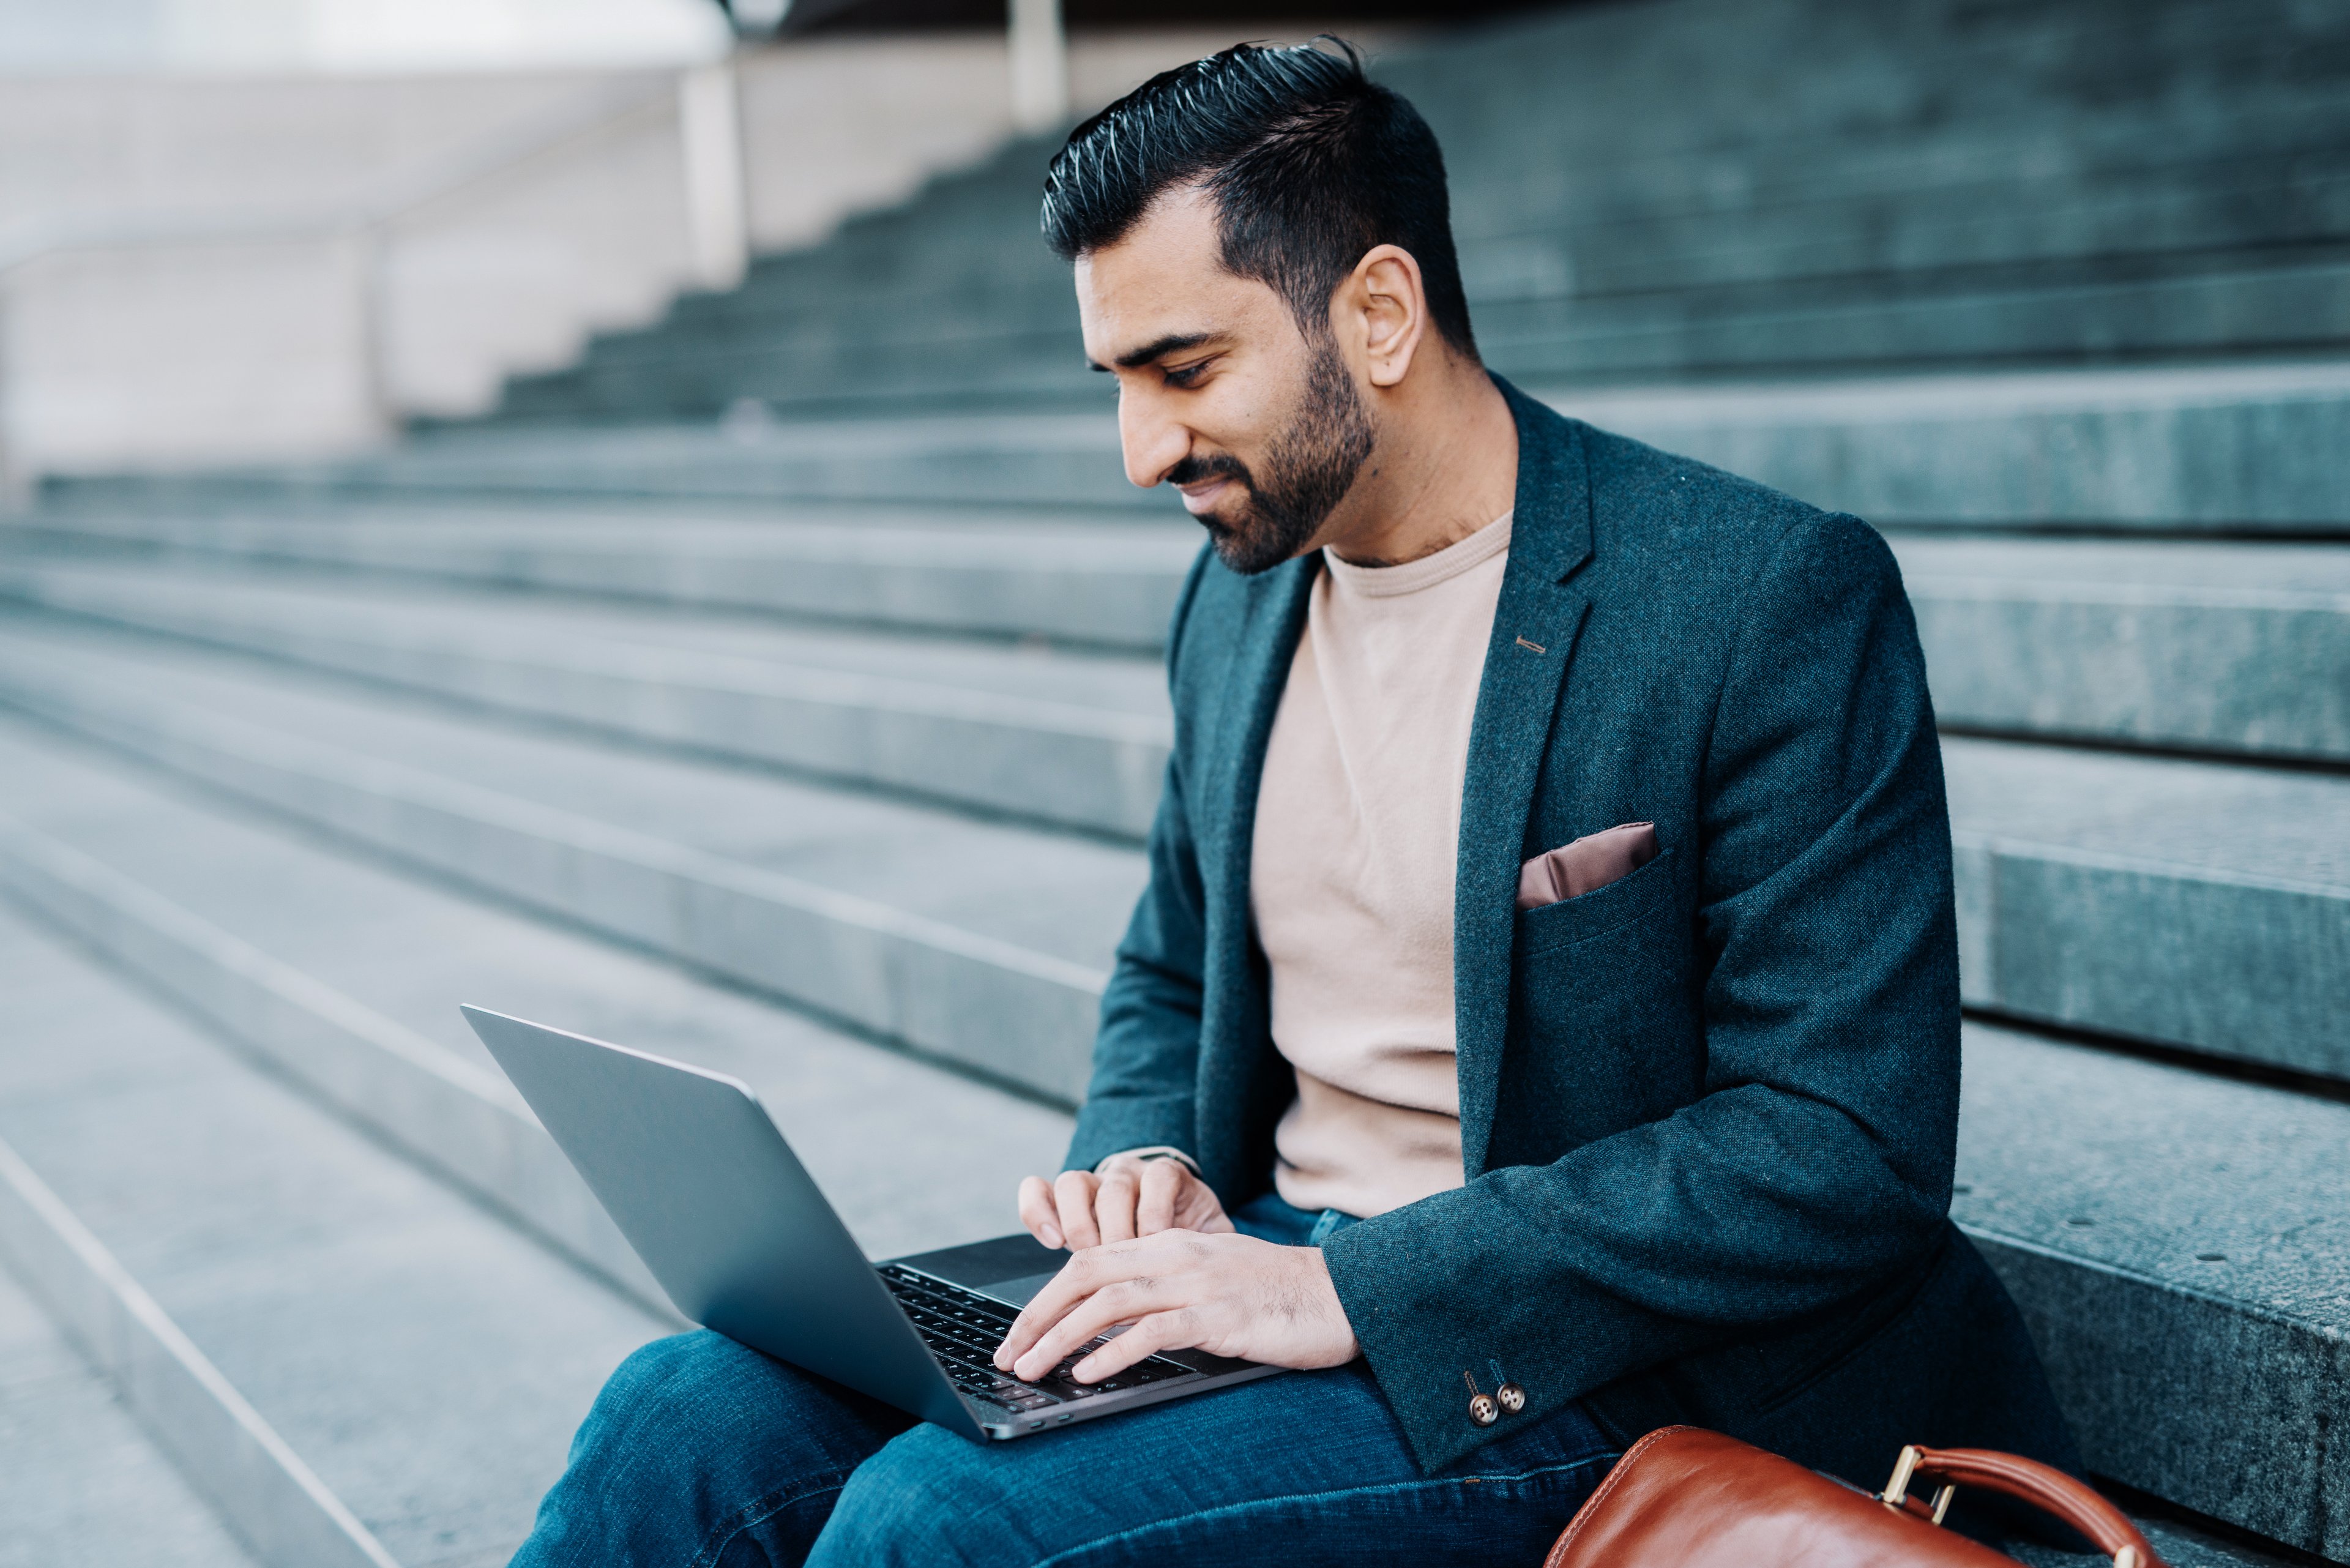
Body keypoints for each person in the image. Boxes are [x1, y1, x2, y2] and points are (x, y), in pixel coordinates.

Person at [509, 40, 2080, 1567]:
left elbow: (1843, 1146)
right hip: (1258, 1267)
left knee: (947, 1523)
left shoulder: (1757, 598)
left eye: (1185, 369)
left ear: (1380, 314)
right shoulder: (1240, 598)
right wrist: (1146, 1167)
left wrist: (1353, 1293)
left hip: (1588, 1362)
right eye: (1117, 379)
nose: (1142, 453)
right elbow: (1169, 968)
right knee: (683, 1419)